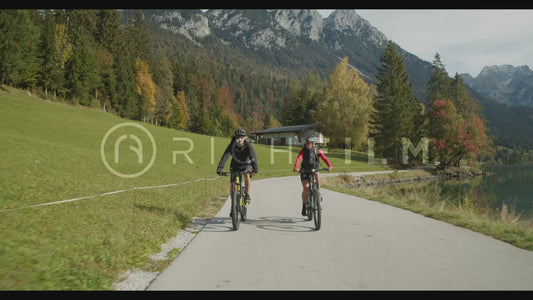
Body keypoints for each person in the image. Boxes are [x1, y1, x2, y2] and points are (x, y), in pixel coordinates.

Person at [293, 135, 333, 216]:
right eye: (306, 143)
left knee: (317, 176)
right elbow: (299, 158)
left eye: (308, 143)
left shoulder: (318, 150)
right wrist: (296, 168)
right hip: (305, 170)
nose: (307, 144)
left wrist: (330, 166)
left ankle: (318, 193)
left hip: (315, 169)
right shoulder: (303, 150)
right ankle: (304, 207)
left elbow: (324, 158)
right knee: (306, 187)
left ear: (313, 144)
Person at [217, 129, 258, 203]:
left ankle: (247, 194)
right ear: (235, 138)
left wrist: (255, 168)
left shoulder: (248, 145)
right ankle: (234, 203)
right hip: (235, 164)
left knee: (247, 175)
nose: (239, 140)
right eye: (238, 138)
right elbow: (226, 156)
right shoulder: (232, 145)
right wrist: (220, 168)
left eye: (241, 138)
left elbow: (253, 156)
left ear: (244, 138)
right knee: (233, 183)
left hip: (246, 164)